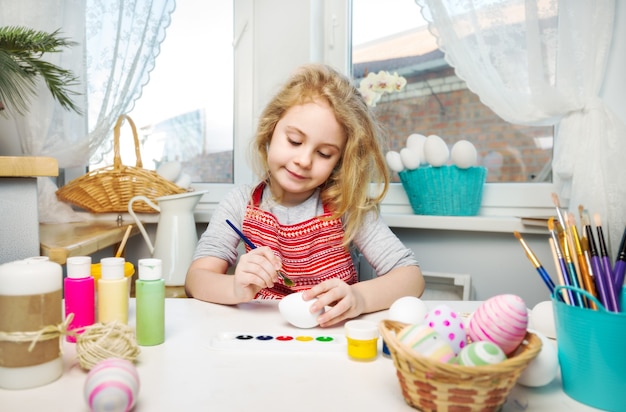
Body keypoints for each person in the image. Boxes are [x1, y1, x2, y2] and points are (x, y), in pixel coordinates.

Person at [185, 63, 424, 327]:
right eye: (295, 141)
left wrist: (359, 298)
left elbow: (412, 278)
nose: (304, 160)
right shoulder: (239, 204)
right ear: (271, 129)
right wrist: (235, 288)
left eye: (323, 153)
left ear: (339, 161)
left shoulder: (346, 206)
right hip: (262, 334)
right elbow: (196, 280)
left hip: (331, 336)